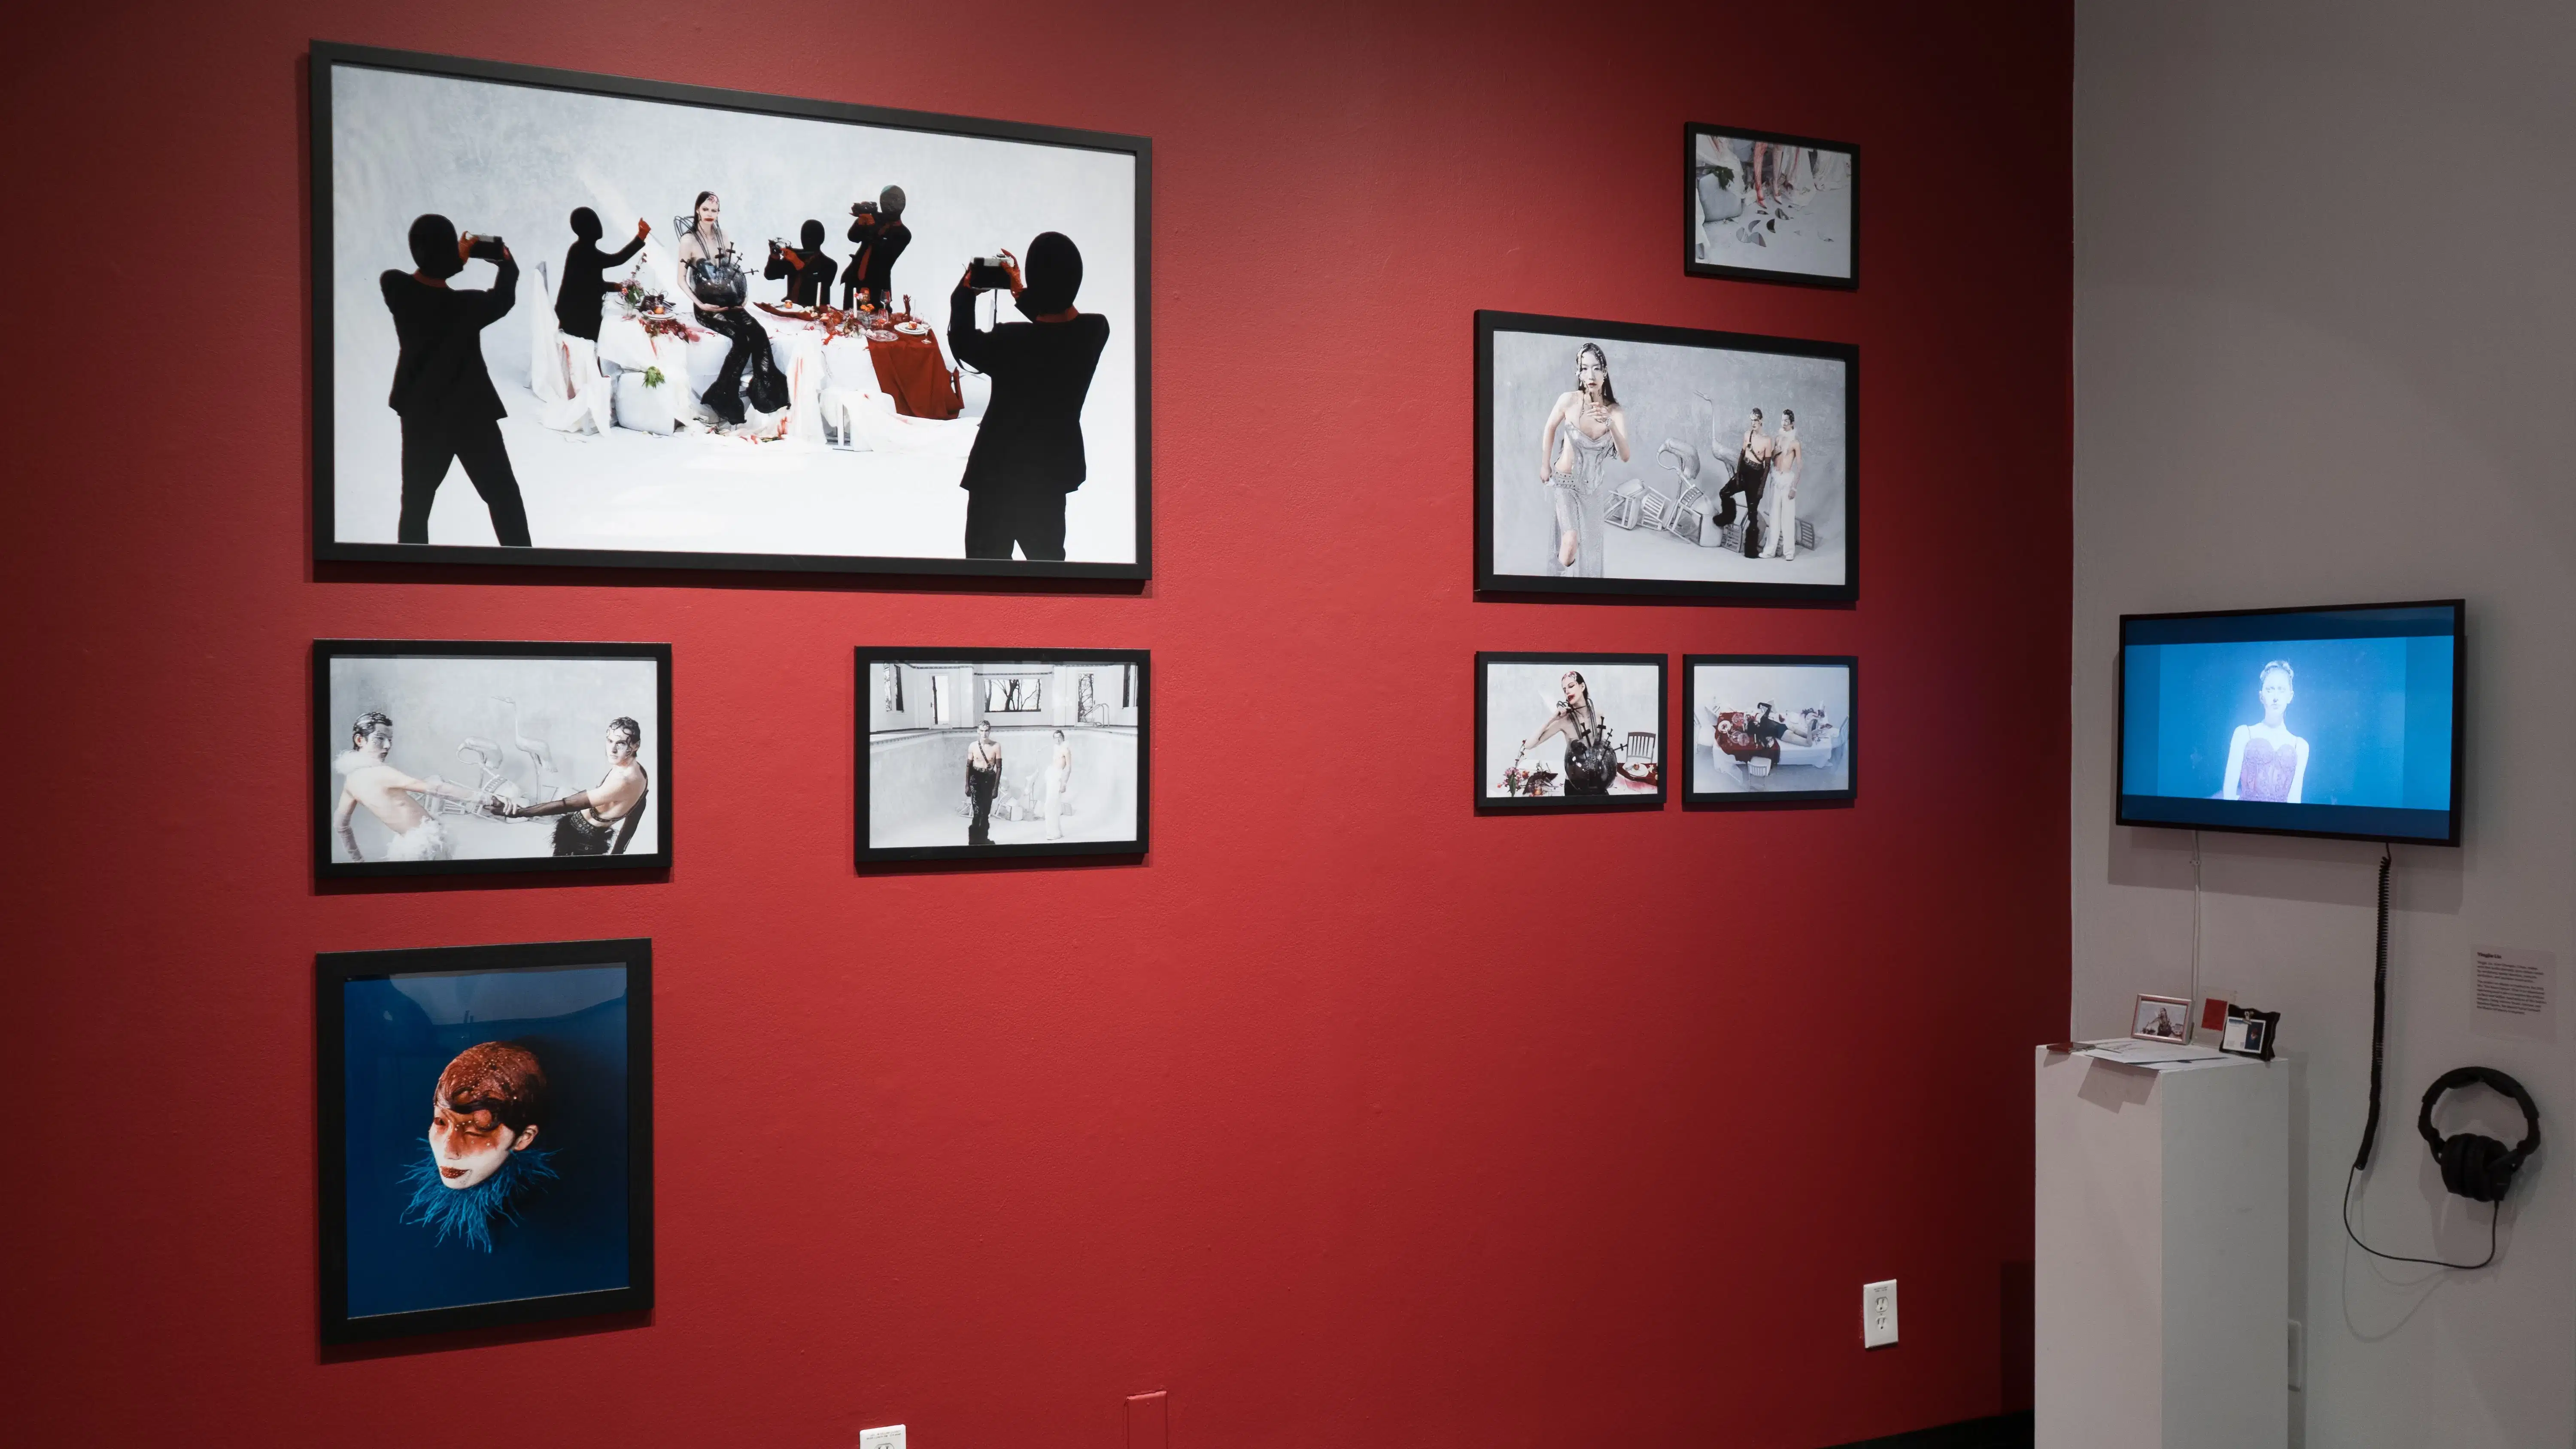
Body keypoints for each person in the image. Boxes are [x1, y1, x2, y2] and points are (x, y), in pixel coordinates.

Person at [948, 232, 1112, 561]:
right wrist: (1022, 292)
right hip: (1048, 477)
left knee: (985, 577)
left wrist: (964, 294)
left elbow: (962, 343)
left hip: (996, 478)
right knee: (1049, 570)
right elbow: (1059, 324)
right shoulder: (1094, 332)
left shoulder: (1009, 341)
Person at [381, 214, 532, 546]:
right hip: (472, 416)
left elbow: (420, 280)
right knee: (503, 497)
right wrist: (507, 265)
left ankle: (411, 580)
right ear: (450, 252)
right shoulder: (468, 305)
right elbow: (505, 298)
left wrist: (455, 259)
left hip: (422, 417)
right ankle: (524, 572)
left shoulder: (395, 287)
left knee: (417, 505)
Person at [401, 1041, 557, 1252]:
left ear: (524, 1138)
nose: (449, 1151)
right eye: (440, 1122)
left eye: (477, 1131)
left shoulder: (544, 1218)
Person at [676, 191, 788, 427]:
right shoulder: (688, 241)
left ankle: (767, 394)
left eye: (714, 211)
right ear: (697, 209)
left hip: (730, 301)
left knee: (757, 333)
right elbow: (681, 280)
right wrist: (699, 304)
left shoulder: (723, 236)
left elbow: (731, 273)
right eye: (705, 209)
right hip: (707, 306)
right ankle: (723, 397)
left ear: (719, 213)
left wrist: (744, 295)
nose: (709, 214)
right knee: (741, 339)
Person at [332, 711, 483, 862]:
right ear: (360, 740)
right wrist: (486, 799)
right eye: (379, 739)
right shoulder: (381, 772)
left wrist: (357, 861)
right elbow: (436, 789)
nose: (388, 746)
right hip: (425, 848)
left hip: (410, 847)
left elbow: (340, 825)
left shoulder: (351, 782)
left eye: (390, 740)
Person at [1536, 343, 1631, 578]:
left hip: (1593, 489)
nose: (1591, 375)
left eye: (1597, 369)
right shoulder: (1569, 400)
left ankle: (1581, 599)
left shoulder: (1615, 411)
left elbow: (1625, 455)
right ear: (1578, 373)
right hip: (1565, 482)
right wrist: (1545, 464)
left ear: (1605, 373)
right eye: (1585, 369)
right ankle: (1555, 578)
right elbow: (1549, 427)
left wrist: (1609, 423)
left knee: (1591, 553)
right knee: (1570, 544)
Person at [500, 717, 652, 855]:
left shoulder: (625, 780)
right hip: (580, 839)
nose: (612, 750)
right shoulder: (637, 772)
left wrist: (520, 813)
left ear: (636, 745)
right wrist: (617, 855)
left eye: (621, 744)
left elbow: (566, 805)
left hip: (583, 845)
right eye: (610, 741)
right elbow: (636, 814)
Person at [553, 207, 649, 342]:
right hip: (577, 318)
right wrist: (641, 237)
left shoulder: (580, 249)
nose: (599, 226)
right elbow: (618, 260)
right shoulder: (583, 252)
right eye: (595, 223)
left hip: (574, 313)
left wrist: (616, 287)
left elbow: (589, 282)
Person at [2220, 660, 2310, 803]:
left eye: (2281, 689)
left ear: (2290, 696)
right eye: (2270, 689)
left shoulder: (2300, 746)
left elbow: (2294, 799)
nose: (2275, 697)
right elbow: (2229, 793)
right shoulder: (2244, 734)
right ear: (2261, 696)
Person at [1518, 671, 1617, 796]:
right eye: (1565, 690)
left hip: (1598, 780)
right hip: (1575, 782)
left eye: (1571, 686)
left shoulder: (1599, 715)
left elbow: (1603, 749)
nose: (1567, 692)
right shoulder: (1565, 721)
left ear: (1582, 686)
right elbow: (1529, 745)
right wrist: (1553, 718)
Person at [1712, 406, 1775, 558]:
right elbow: (1741, 456)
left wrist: (1761, 488)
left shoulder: (1767, 441)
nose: (1753, 423)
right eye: (1751, 420)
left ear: (1761, 421)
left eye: (1756, 420)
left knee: (1752, 515)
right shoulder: (1747, 435)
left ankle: (1751, 549)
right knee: (1724, 493)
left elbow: (1767, 468)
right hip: (1744, 472)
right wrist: (1738, 475)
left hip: (1756, 477)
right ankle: (1728, 516)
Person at [849, 185, 911, 309]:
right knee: (851, 318)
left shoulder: (904, 234)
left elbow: (884, 254)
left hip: (878, 286)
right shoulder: (877, 218)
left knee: (879, 322)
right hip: (857, 280)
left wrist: (871, 224)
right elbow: (853, 237)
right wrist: (861, 222)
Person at [765, 218, 838, 309]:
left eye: (811, 237)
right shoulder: (793, 256)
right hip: (790, 307)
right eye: (804, 236)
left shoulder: (830, 265)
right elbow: (770, 275)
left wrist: (797, 263)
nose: (806, 240)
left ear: (821, 239)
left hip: (815, 311)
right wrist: (774, 257)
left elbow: (817, 283)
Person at [1762, 409, 1803, 560]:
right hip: (1776, 480)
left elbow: (1799, 466)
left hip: (1787, 482)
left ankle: (1789, 551)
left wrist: (1794, 487)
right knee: (1774, 516)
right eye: (1783, 420)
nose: (1784, 423)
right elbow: (1773, 460)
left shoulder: (1795, 443)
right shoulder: (1778, 438)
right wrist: (1775, 453)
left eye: (1787, 421)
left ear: (1792, 423)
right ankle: (1770, 550)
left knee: (1787, 517)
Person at [965, 721, 1003, 845]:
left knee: (985, 812)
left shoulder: (996, 746)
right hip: (976, 778)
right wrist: (967, 785)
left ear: (990, 731)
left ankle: (984, 839)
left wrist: (996, 788)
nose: (984, 733)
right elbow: (969, 766)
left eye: (986, 730)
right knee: (977, 812)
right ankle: (974, 841)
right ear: (978, 731)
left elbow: (999, 768)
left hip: (989, 780)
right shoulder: (973, 746)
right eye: (982, 730)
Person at [1044, 728, 1072, 840]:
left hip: (1058, 779)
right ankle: (1056, 832)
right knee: (1051, 805)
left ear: (1063, 738)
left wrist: (1064, 784)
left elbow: (1069, 768)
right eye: (1056, 738)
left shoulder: (1066, 750)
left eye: (1060, 738)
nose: (1058, 740)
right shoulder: (1056, 748)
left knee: (1051, 805)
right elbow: (1055, 764)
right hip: (1052, 777)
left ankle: (1055, 833)